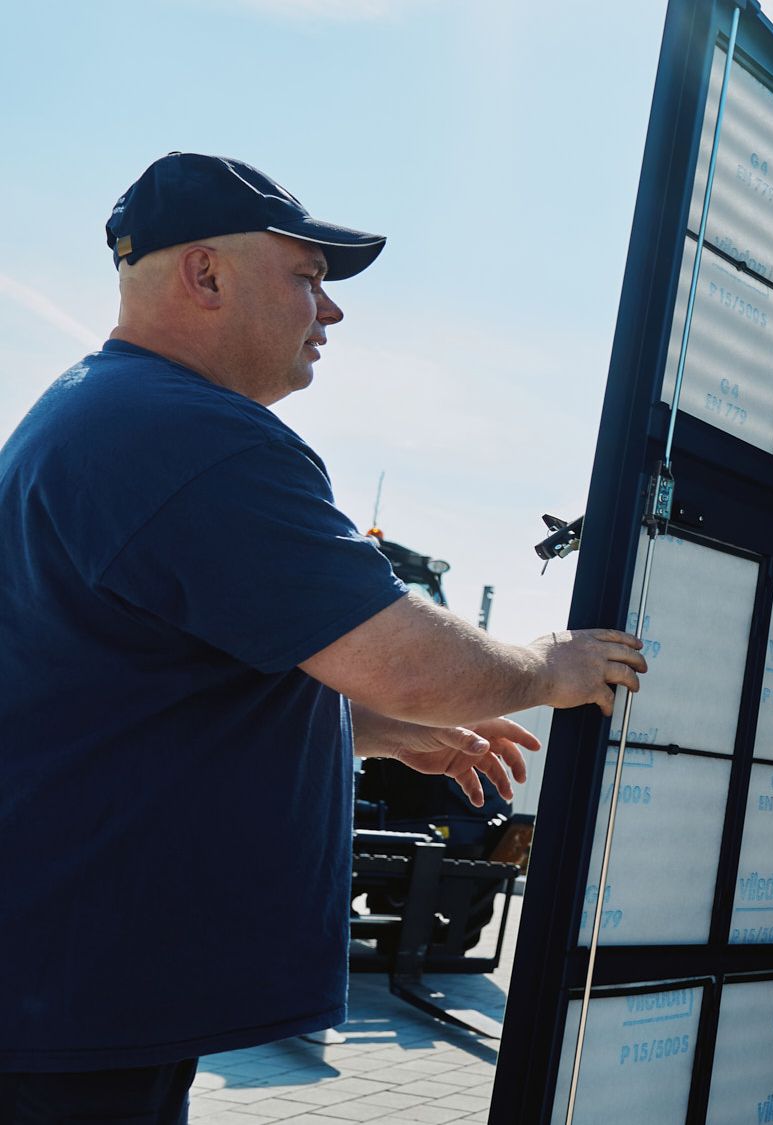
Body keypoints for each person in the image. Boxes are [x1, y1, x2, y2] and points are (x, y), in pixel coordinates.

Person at [0, 153, 649, 1123]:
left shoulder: (93, 412)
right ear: (206, 275)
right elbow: (408, 658)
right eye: (307, 278)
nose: (331, 311)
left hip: (62, 979)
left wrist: (368, 731)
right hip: (81, 996)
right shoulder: (188, 432)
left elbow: (144, 683)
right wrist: (552, 665)